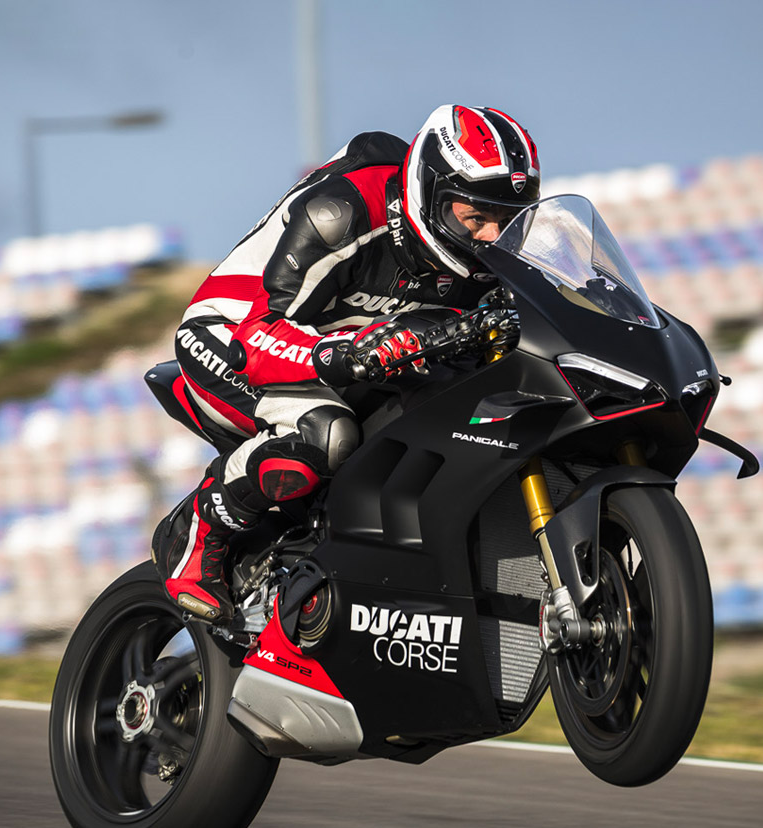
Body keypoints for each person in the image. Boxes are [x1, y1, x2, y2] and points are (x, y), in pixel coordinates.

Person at [152, 104, 541, 623]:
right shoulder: (342, 213)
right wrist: (347, 354)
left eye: (507, 219)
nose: (492, 236)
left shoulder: (486, 257)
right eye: (476, 217)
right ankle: (199, 529)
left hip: (355, 352)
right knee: (327, 433)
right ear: (430, 195)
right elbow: (259, 334)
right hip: (233, 336)